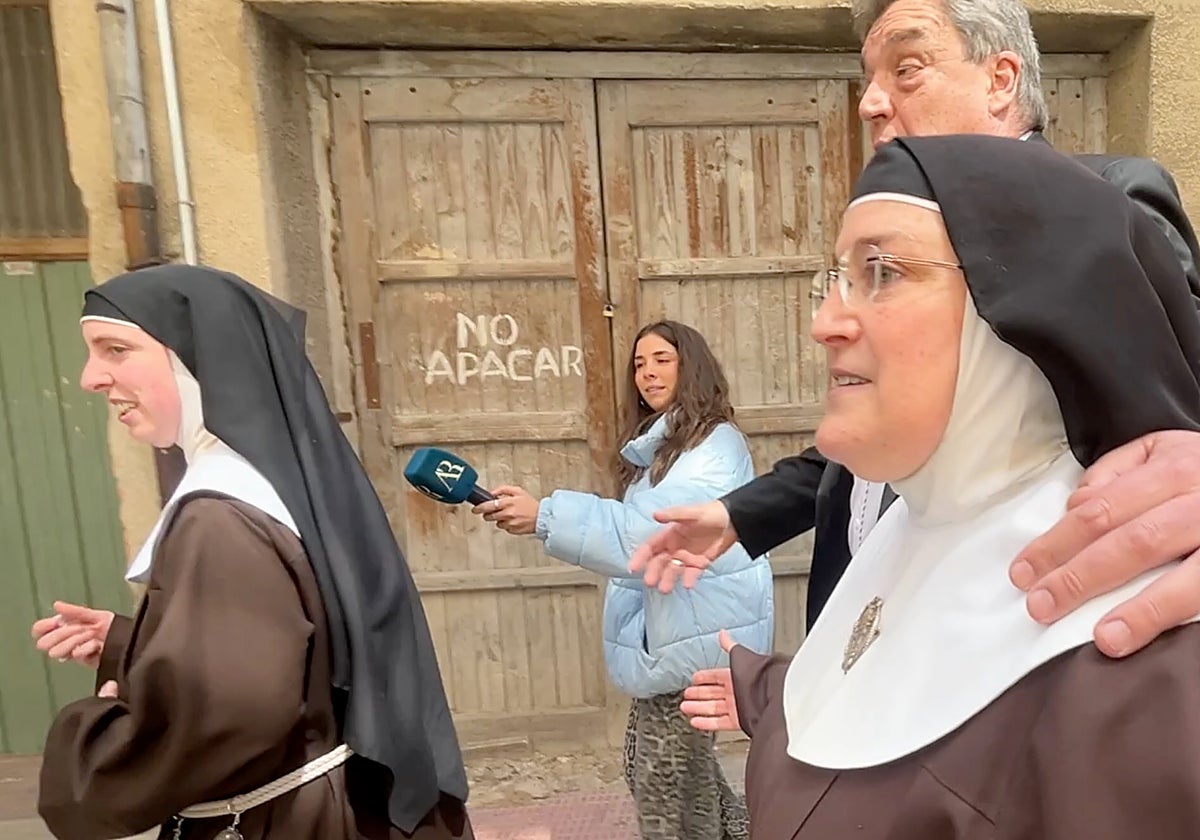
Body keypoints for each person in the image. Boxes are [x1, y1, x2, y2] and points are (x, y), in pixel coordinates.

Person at [631, 0, 1200, 660]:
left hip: (1025, 634)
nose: (871, 103)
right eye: (869, 77)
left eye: (906, 69)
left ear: (1000, 79)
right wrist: (743, 513)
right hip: (872, 625)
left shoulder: (1103, 202)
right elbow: (892, 433)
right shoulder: (898, 222)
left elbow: (1181, 404)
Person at [686, 134, 1200, 838]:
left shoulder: (1140, 670)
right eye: (837, 277)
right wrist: (764, 688)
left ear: (1023, 318)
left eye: (883, 271)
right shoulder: (909, 531)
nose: (824, 323)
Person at [33, 265, 471, 840]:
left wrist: (88, 745)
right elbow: (307, 653)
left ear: (196, 358)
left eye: (116, 349)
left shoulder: (219, 517)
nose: (90, 377)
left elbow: (224, 718)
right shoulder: (289, 481)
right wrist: (130, 642)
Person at [473, 320, 772, 840]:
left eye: (662, 360)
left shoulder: (714, 446)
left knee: (665, 789)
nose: (647, 373)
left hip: (696, 636)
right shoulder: (665, 446)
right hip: (676, 633)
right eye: (639, 364)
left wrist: (545, 516)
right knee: (674, 774)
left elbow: (653, 530)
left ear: (691, 367)